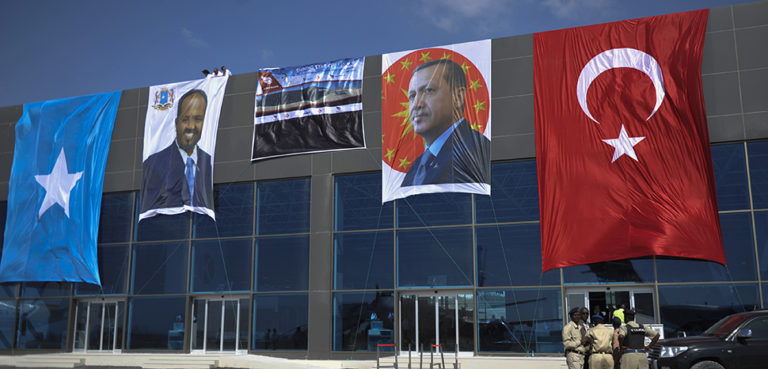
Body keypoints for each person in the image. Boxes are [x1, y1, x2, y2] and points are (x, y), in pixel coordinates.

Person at [400, 59, 490, 187]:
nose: (416, 104)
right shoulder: (416, 168)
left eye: (428, 90)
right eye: (412, 96)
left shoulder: (478, 152)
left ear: (458, 97)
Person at [140, 89, 214, 216]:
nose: (191, 126)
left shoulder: (209, 162)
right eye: (185, 119)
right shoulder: (154, 164)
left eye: (198, 119)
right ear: (176, 123)